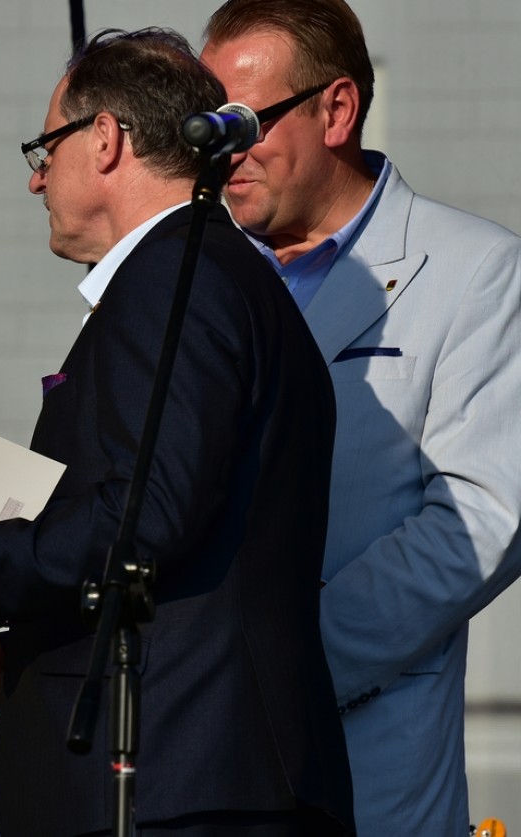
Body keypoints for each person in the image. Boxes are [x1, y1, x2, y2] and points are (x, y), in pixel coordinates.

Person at [0, 29, 355, 836]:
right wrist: (28, 653)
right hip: (198, 768)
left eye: (46, 148)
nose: (36, 178)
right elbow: (175, 548)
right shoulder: (210, 276)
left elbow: (141, 517)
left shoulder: (176, 278)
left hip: (180, 783)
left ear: (106, 138)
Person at [199, 2, 521, 835]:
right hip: (192, 760)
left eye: (244, 122)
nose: (221, 149)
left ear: (336, 109)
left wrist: (282, 662)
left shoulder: (475, 271)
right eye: (209, 124)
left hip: (363, 763)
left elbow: (480, 521)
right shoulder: (196, 276)